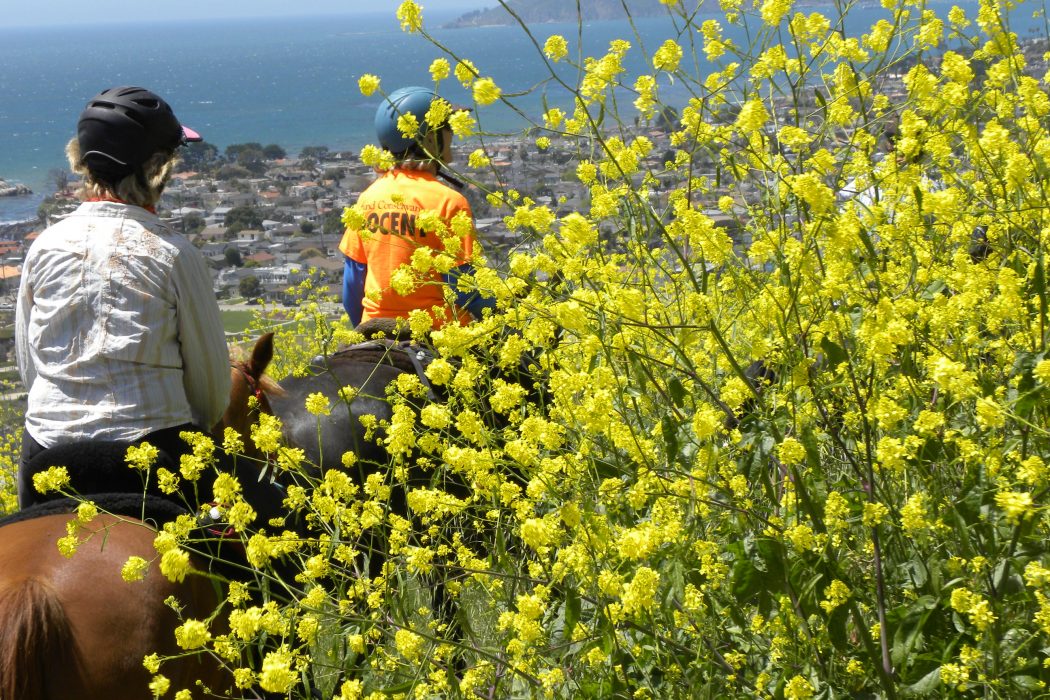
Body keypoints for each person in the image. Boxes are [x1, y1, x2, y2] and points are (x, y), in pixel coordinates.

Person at [15, 87, 238, 512]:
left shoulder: (44, 246)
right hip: (154, 452)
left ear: (81, 161)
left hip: (48, 449)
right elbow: (210, 390)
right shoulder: (174, 253)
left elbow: (31, 368)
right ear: (159, 169)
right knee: (228, 562)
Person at [339, 86, 495, 332]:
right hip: (439, 334)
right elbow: (465, 290)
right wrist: (505, 316)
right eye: (448, 129)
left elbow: (352, 285)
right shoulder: (449, 202)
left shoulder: (367, 198)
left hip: (374, 328)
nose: (452, 135)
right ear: (431, 140)